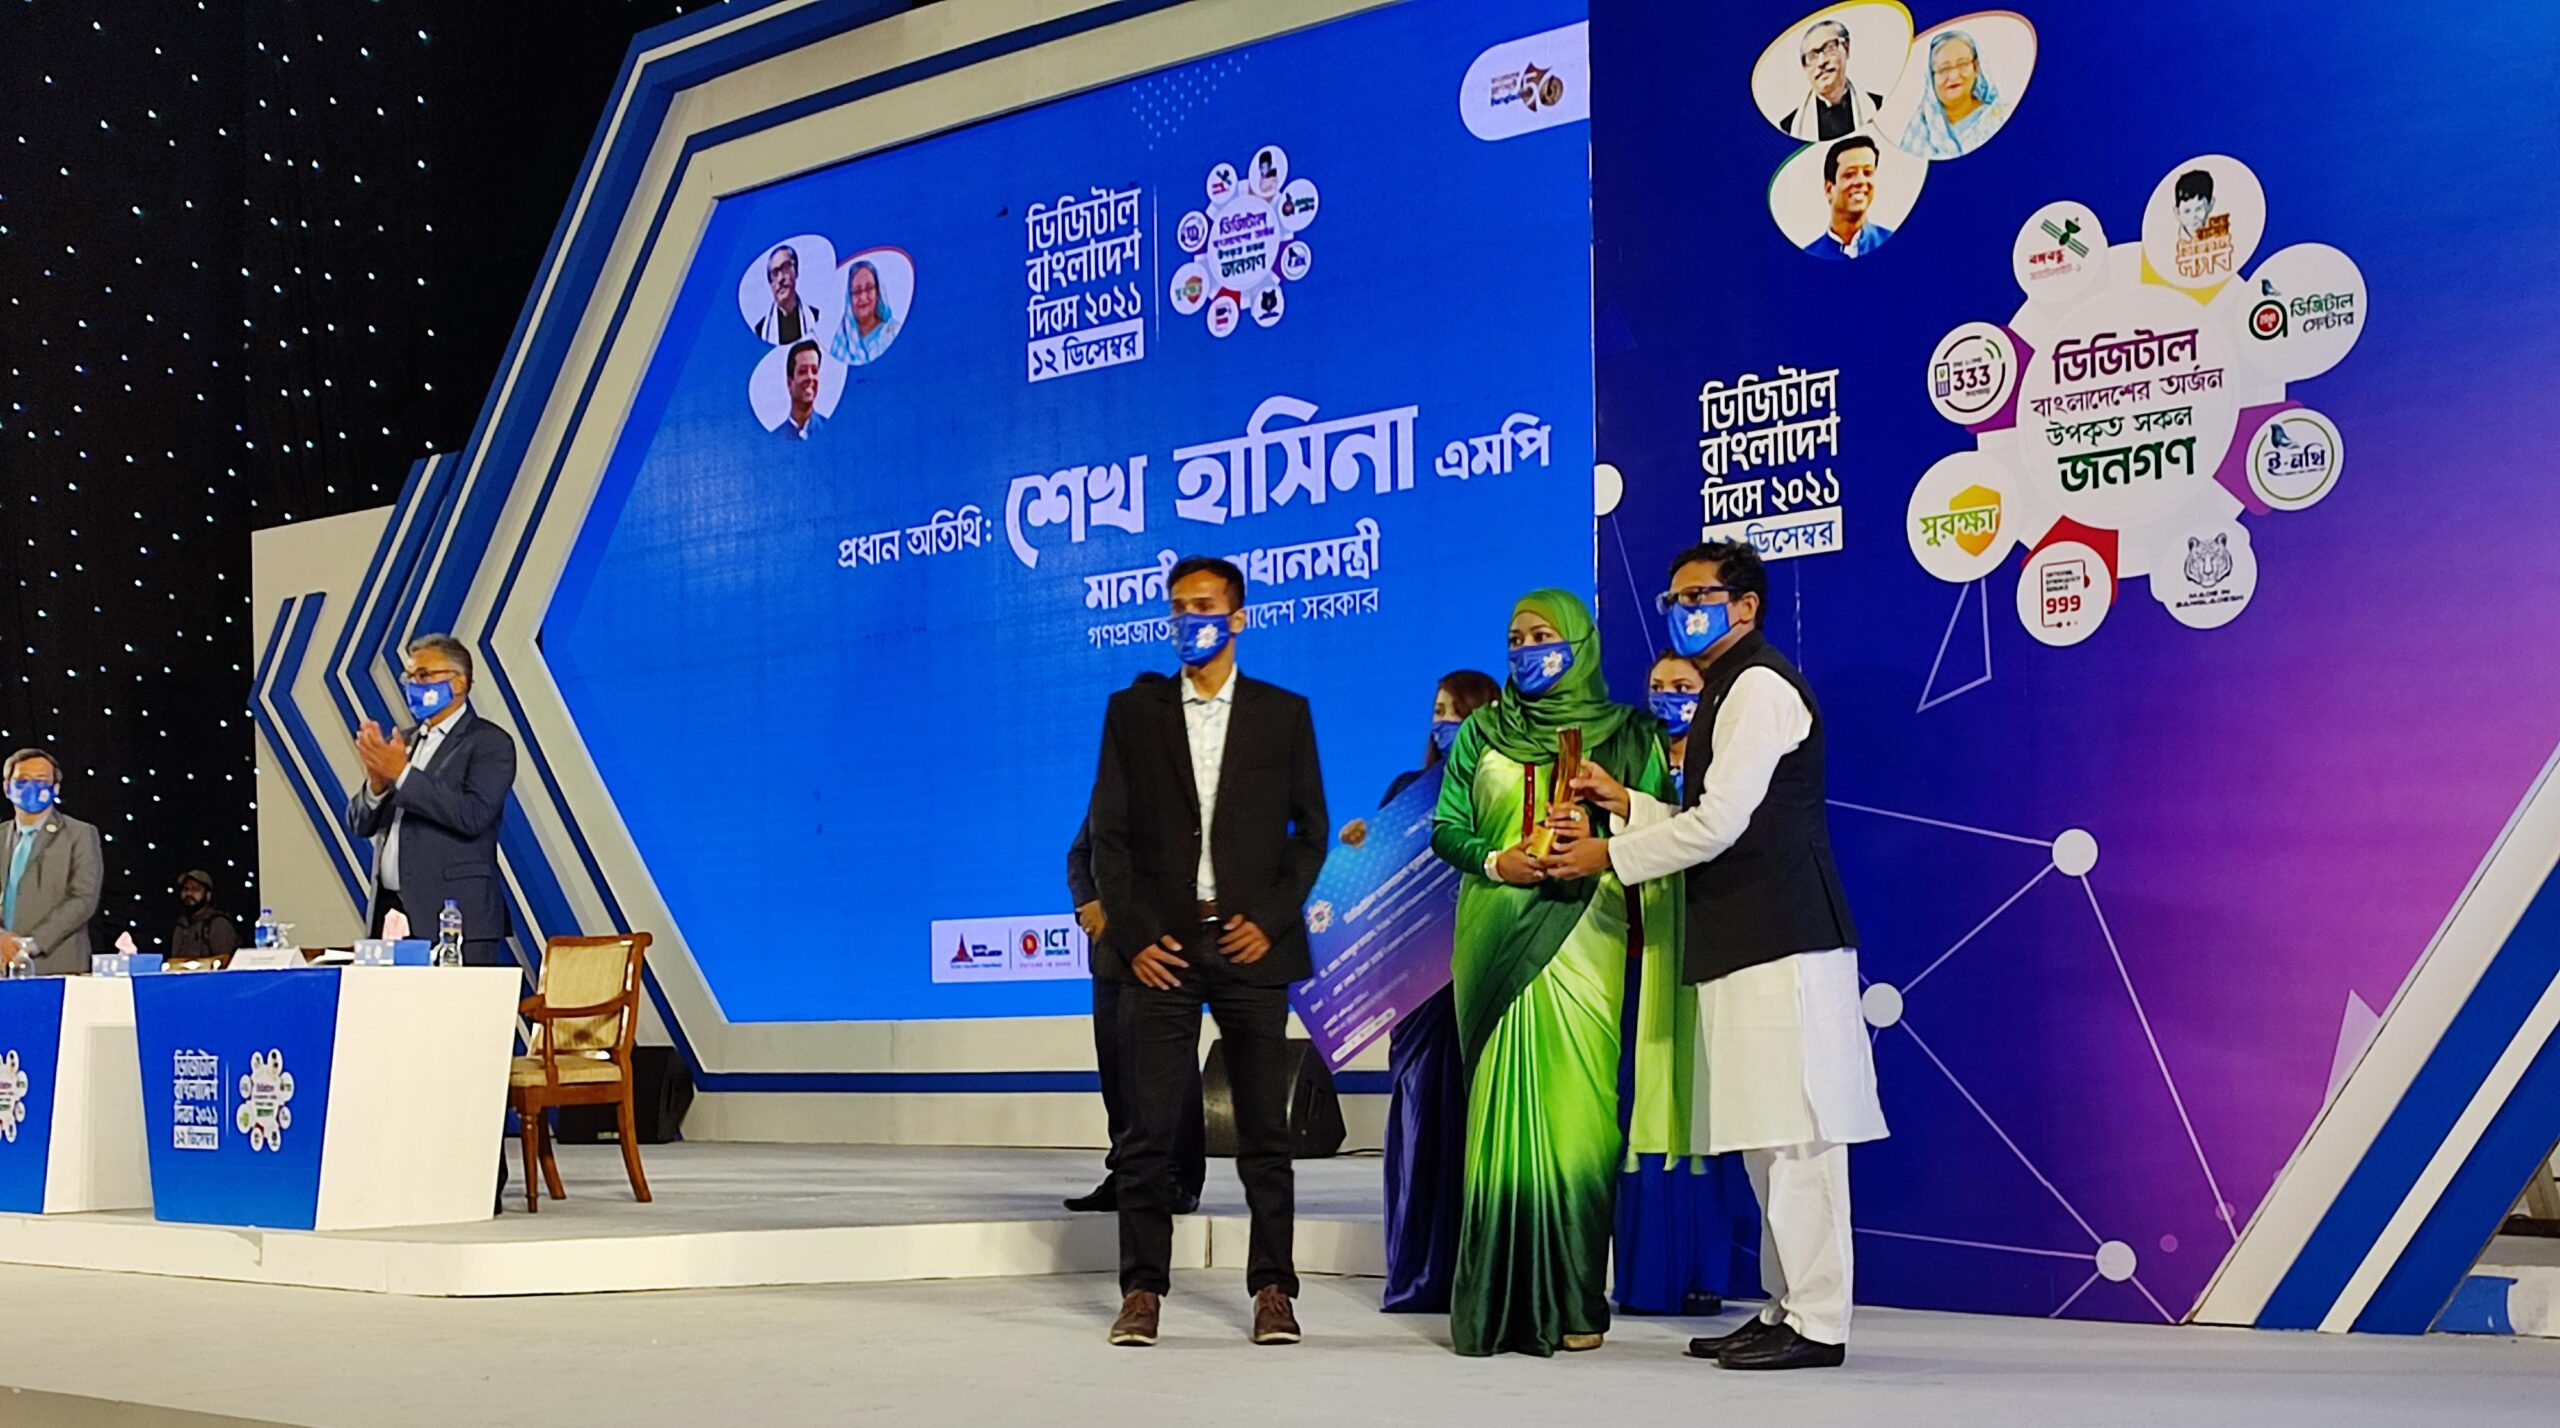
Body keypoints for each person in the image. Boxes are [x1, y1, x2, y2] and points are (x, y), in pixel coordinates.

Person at [1544, 541, 1887, 1371]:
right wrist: (1625, 803)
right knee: (1766, 1135)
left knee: (1800, 1137)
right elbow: (1707, 817)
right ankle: (1785, 1306)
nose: (1684, 611)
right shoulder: (1727, 689)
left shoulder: (1759, 686)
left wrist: (1606, 854)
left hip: (1785, 937)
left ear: (1746, 606)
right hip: (1743, 936)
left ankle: (1820, 1322)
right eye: (1675, 598)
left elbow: (1719, 825)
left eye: (1700, 596)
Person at [1428, 590, 1687, 1357]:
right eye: (1516, 638)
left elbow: (1668, 829)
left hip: (1587, 933)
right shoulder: (1482, 731)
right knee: (1495, 1124)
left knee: (1581, 1120)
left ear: (1580, 642)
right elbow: (1447, 827)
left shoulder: (1630, 733)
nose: (1527, 650)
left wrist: (1609, 816)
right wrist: (1496, 860)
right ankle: (1494, 1308)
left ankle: (1574, 1301)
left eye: (1543, 635)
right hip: (1494, 936)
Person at [1088, 556, 1328, 1349]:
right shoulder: (1133, 712)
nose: (1189, 620)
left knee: (1264, 1134)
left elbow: (1311, 833)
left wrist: (1271, 917)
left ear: (1238, 617)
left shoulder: (1283, 713)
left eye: (1204, 606)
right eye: (1179, 608)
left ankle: (1273, 1291)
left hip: (1251, 944)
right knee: (1148, 1133)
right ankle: (1142, 1291)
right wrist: (1132, 935)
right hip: (1161, 947)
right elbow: (1108, 838)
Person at [1341, 669, 1500, 1315]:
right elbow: (1378, 885)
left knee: (1476, 1122)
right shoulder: (1407, 793)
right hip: (1418, 988)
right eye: (1438, 710)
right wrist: (1361, 846)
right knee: (1417, 1115)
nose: (1445, 722)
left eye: (1459, 712)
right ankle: (1415, 1273)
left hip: (1482, 973)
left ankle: (1475, 1271)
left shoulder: (1503, 792)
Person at [1615, 652, 1743, 1318]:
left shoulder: (1728, 760)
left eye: (1683, 686)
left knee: (1707, 1103)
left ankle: (1707, 1270)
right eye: (1657, 687)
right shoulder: (1626, 761)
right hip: (1640, 956)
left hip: (1713, 947)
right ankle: (1646, 1276)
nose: (1668, 697)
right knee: (1643, 1104)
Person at [1065, 672, 1205, 1219]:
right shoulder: (1111, 785)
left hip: (1165, 949)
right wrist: (1088, 902)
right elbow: (1081, 854)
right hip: (1111, 956)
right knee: (1118, 1068)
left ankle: (1177, 1178)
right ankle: (1125, 1172)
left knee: (1169, 1069)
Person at [0, 749, 102, 974]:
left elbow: (83, 899)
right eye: (22, 781)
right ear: (7, 787)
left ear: (55, 789)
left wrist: (31, 944)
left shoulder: (80, 834)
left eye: (41, 781)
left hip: (57, 964)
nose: (31, 787)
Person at [1898, 29, 2010, 158]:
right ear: (1931, 76)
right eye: (1944, 68)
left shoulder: (1999, 118)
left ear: (1976, 67)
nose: (1953, 75)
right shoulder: (1919, 131)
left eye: (1963, 64)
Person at [1781, 20, 1881, 141]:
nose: (1822, 62)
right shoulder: (1789, 128)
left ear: (1847, 49)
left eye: (1829, 48)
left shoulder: (1878, 107)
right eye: (1812, 56)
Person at [1802, 134, 1892, 261]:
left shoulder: (1894, 244)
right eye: (1849, 174)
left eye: (1867, 172)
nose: (1861, 181)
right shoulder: (1809, 257)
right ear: (1829, 189)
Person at [828, 259, 902, 367]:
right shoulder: (841, 341)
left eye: (869, 288)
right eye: (857, 291)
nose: (863, 297)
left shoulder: (893, 332)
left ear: (878, 292)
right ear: (849, 298)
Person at [752, 243, 821, 344]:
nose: (780, 279)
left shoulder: (816, 317)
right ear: (770, 283)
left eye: (785, 268)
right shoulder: (760, 332)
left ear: (796, 272)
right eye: (775, 273)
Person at [170, 869, 241, 961]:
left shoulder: (218, 923)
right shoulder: (180, 925)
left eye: (195, 889)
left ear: (208, 895)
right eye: (186, 889)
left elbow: (224, 961)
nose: (189, 894)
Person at [777, 340, 823, 439]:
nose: (810, 377)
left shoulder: (829, 429)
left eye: (814, 371)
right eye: (802, 371)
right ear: (789, 383)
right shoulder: (776, 438)